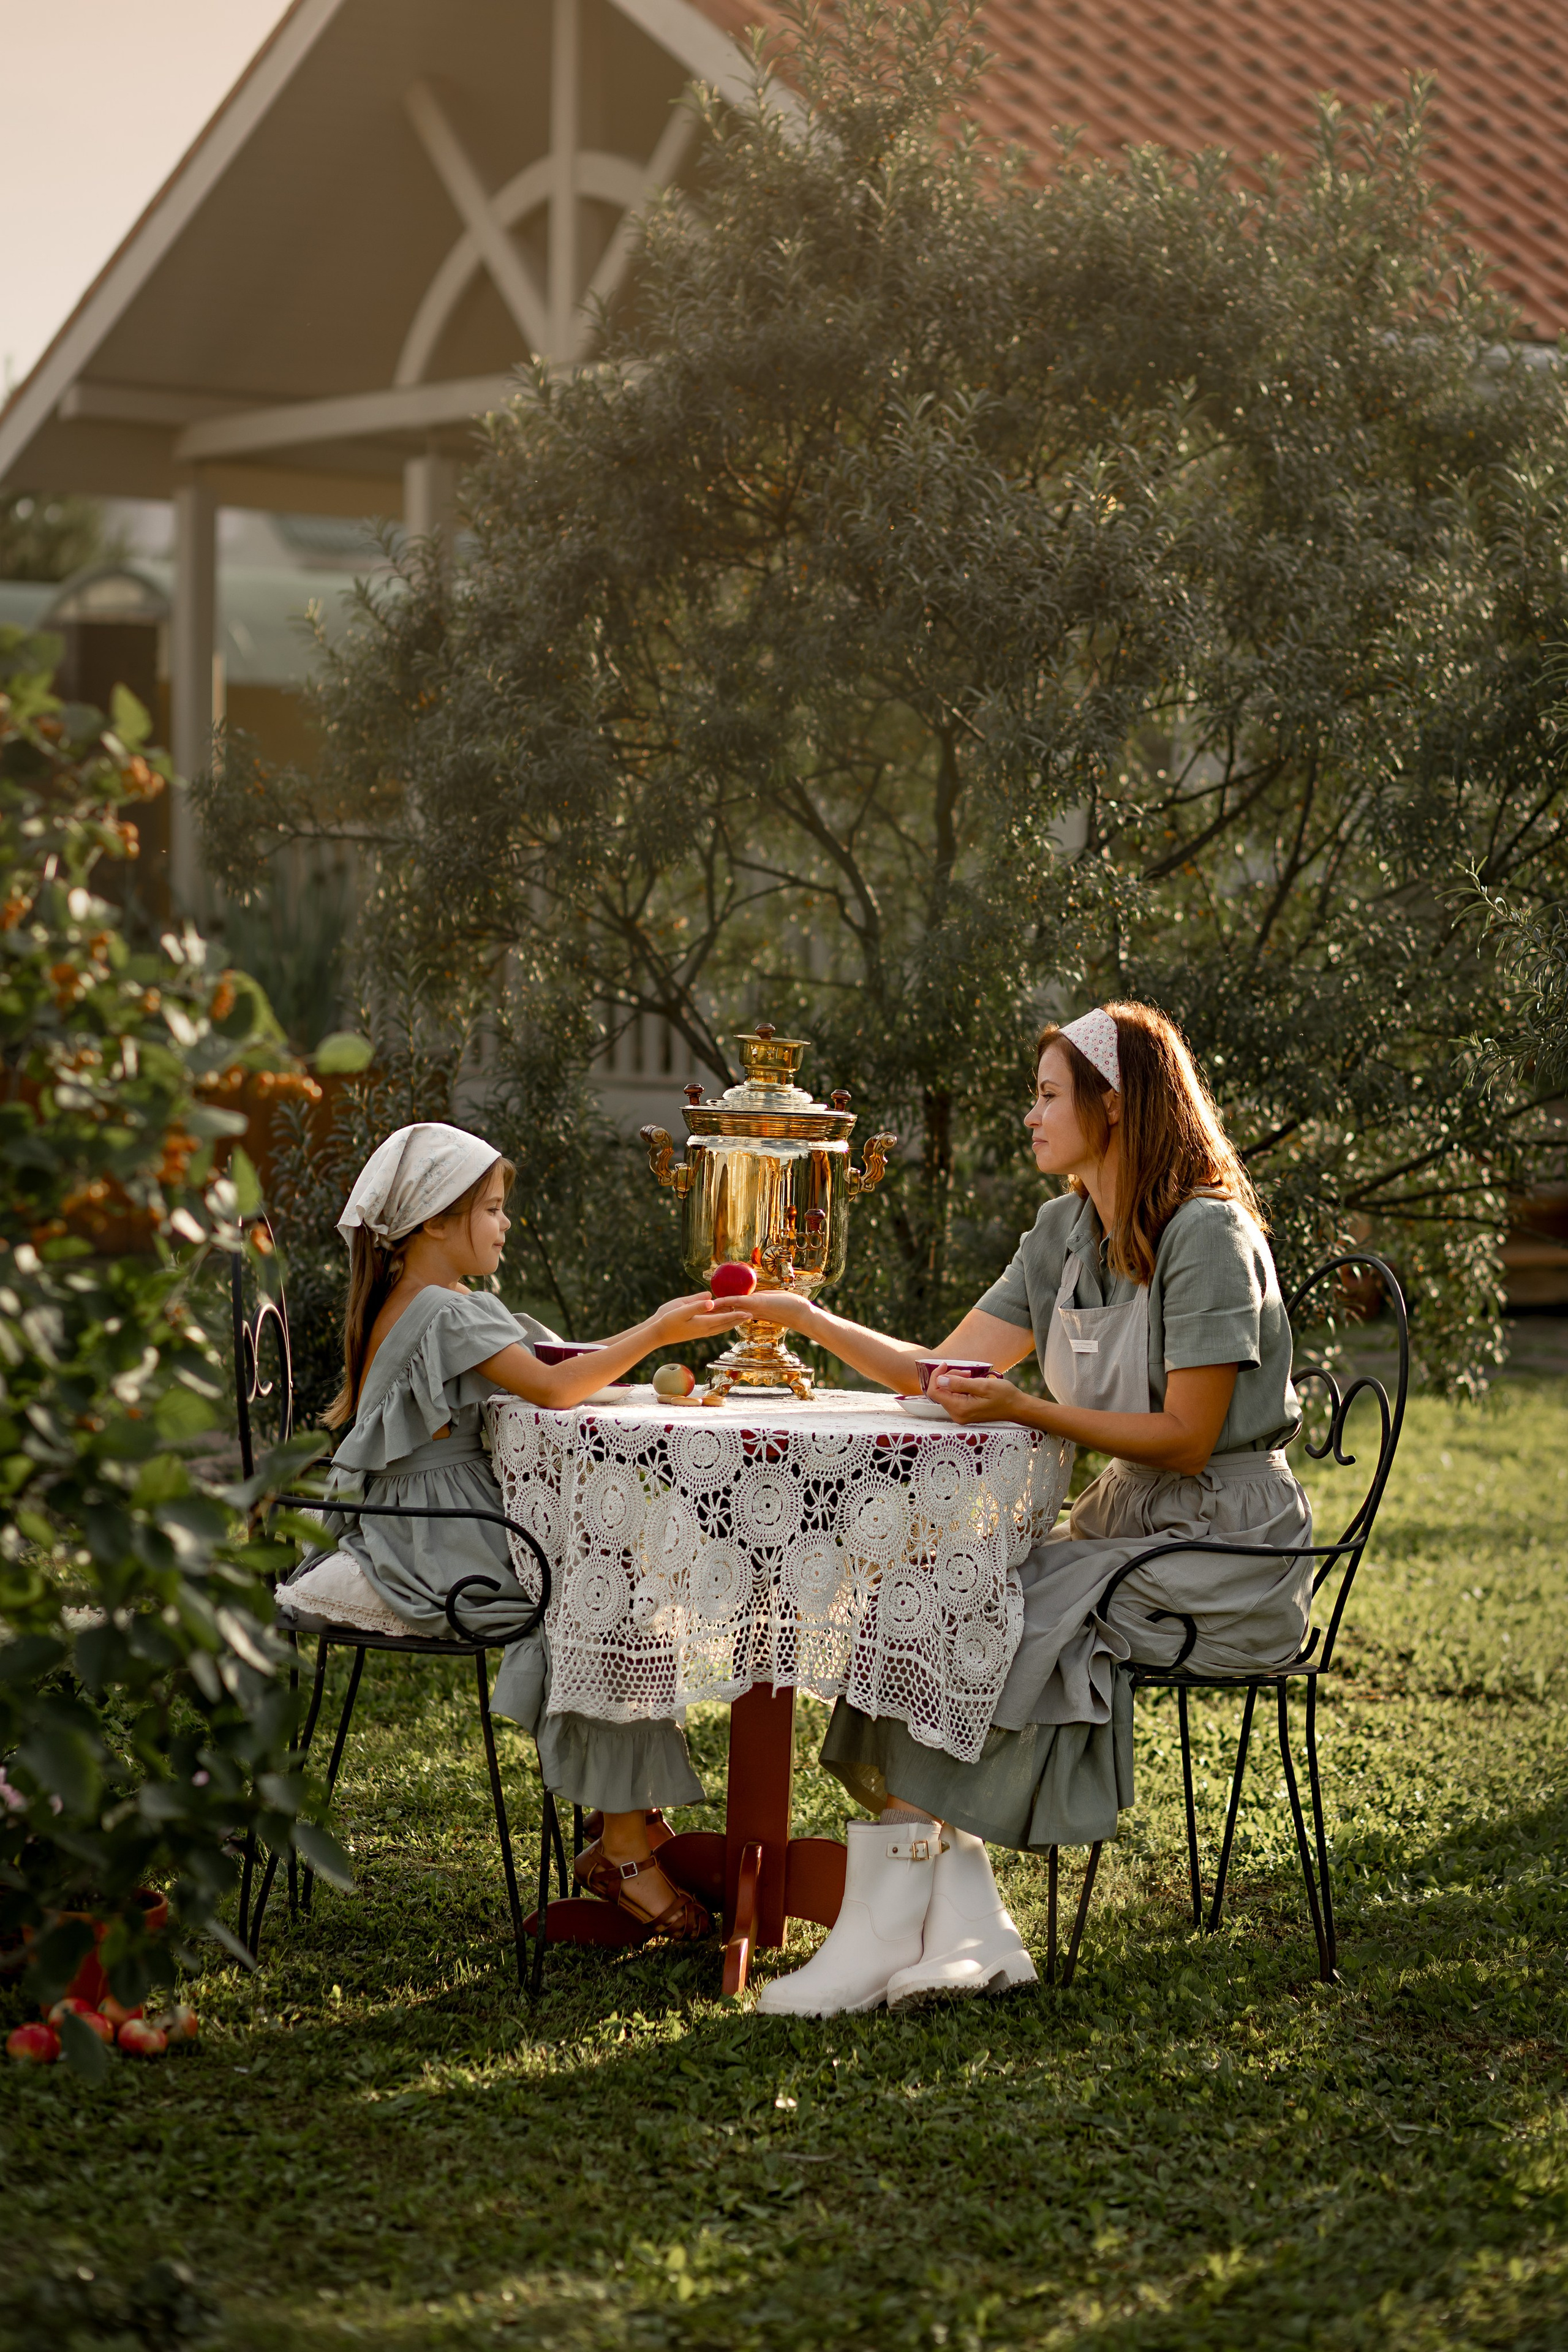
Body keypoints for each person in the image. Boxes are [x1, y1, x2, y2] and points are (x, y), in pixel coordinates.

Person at [745, 1003, 1313, 2015]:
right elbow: (947, 1373)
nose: (1031, 1114)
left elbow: (1189, 1434)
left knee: (989, 1612)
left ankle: (886, 1937)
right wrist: (805, 1318)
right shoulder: (1063, 1233)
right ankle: (965, 1925)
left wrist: (1026, 1406)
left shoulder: (1209, 1233)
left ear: (1115, 1104)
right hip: (1129, 1522)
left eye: (1050, 1095)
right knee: (922, 1594)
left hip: (1224, 1541)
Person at [281, 1121, 748, 1942]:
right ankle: (626, 1843)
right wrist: (658, 1333)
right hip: (431, 1543)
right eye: (493, 1210)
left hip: (431, 1521)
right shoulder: (440, 1313)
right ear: (433, 1221)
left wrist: (627, 1358)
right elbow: (556, 1390)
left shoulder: (436, 1304)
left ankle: (625, 1824)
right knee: (605, 1589)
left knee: (616, 1573)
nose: (505, 1225)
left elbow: (552, 1374)